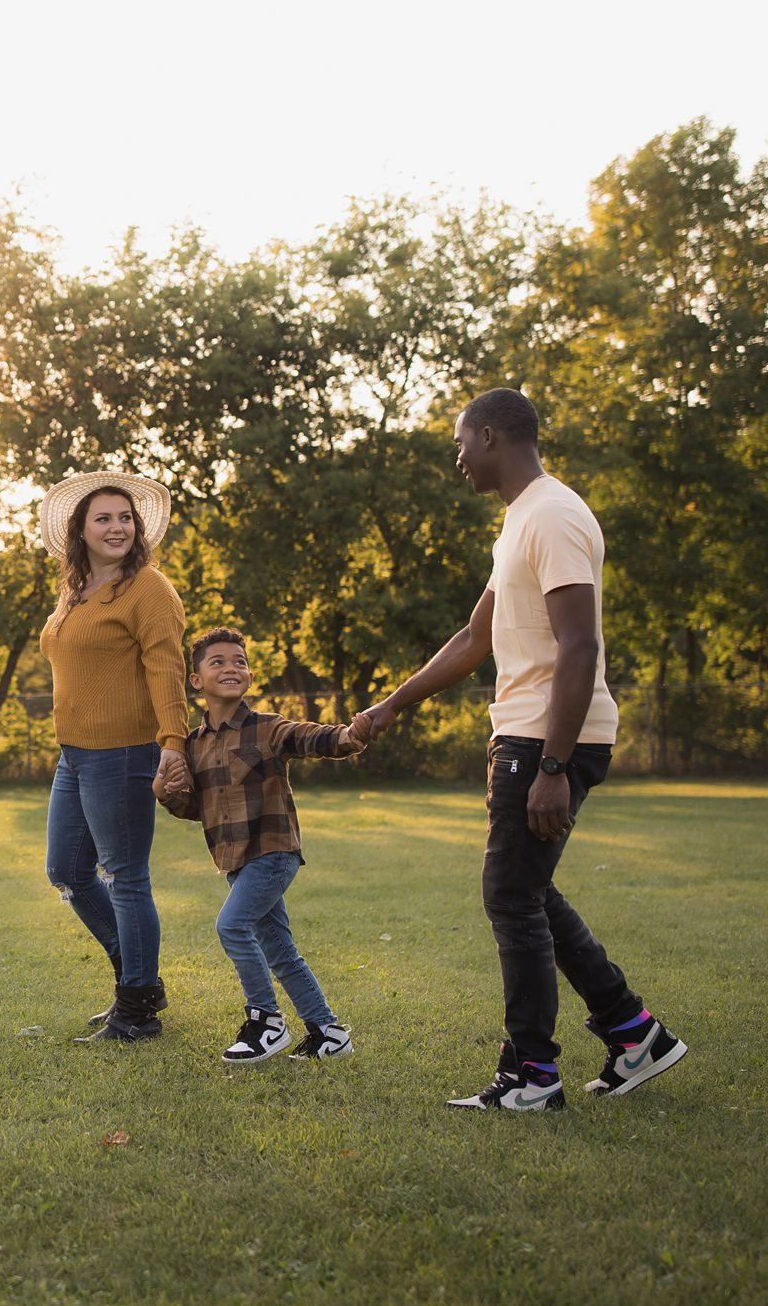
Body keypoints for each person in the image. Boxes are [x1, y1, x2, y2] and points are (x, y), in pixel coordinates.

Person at [351, 388, 687, 1111]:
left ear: (493, 436)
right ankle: (635, 1033)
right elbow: (476, 638)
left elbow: (580, 645)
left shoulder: (556, 514)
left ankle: (532, 1073)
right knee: (526, 891)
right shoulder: (521, 523)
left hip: (546, 737)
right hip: (531, 732)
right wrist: (389, 707)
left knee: (510, 897)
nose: (458, 459)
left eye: (460, 443)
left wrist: (555, 768)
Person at [154, 626, 363, 1065]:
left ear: (249, 677)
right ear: (196, 681)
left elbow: (312, 738)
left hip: (273, 853)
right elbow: (197, 808)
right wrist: (165, 792)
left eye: (239, 662)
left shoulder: (268, 729)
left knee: (231, 926)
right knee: (279, 949)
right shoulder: (193, 744)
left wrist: (350, 734)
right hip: (236, 862)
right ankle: (327, 1031)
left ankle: (266, 1021)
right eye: (218, 662)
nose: (231, 668)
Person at [38, 471, 193, 1041]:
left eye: (125, 517)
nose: (117, 527)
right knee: (68, 871)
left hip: (124, 754)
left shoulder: (148, 588)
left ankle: (137, 1011)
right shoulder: (76, 591)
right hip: (75, 756)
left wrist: (173, 745)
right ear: (80, 530)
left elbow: (167, 669)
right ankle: (138, 980)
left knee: (126, 879)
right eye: (103, 518)